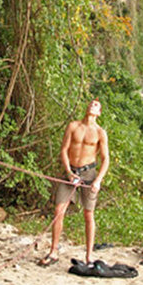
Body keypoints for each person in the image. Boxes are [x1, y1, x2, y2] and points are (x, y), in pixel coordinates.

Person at [39, 98, 110, 267]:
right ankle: (54, 251)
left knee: (88, 214)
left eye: (96, 105)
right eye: (91, 103)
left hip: (89, 174)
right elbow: (64, 149)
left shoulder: (100, 133)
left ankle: (89, 255)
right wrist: (69, 173)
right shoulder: (73, 126)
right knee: (59, 210)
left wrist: (98, 180)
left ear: (99, 112)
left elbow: (106, 159)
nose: (92, 105)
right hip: (71, 172)